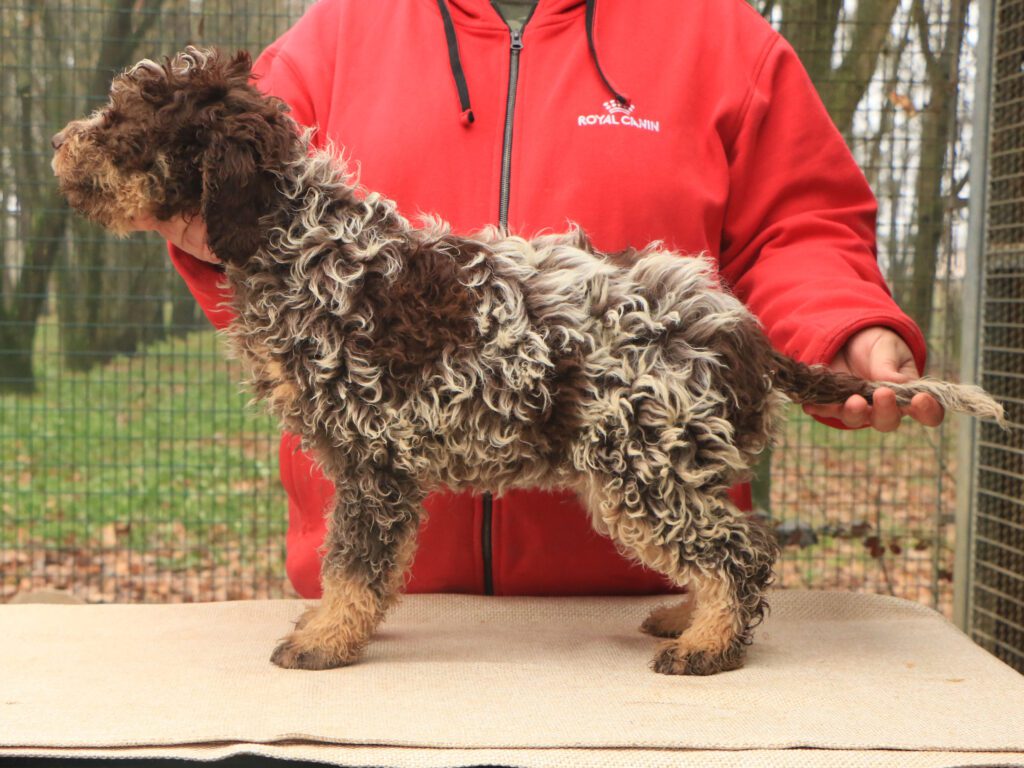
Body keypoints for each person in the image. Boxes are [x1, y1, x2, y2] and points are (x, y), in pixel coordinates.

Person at [134, 0, 944, 600]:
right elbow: (237, 226)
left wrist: (841, 325)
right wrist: (188, 221)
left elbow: (798, 228)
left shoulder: (722, 37)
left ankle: (719, 584)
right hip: (398, 625)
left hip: (630, 607)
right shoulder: (331, 36)